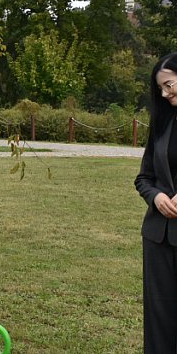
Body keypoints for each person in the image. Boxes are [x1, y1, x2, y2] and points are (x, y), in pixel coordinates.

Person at [135, 52, 177, 353]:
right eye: (161, 88)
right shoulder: (162, 121)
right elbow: (144, 178)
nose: (165, 93)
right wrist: (156, 196)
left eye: (170, 85)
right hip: (158, 237)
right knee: (159, 320)